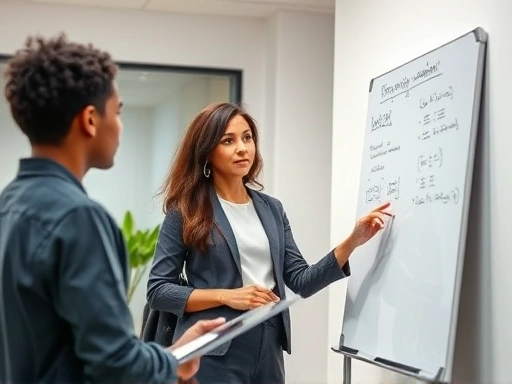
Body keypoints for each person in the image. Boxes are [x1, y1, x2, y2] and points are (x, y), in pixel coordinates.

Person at [0, 34, 225, 384]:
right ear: (90, 120)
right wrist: (172, 363)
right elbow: (114, 364)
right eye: (117, 112)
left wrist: (167, 356)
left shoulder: (8, 206)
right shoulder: (79, 219)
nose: (118, 127)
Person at [146, 102, 392, 384]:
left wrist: (353, 240)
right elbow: (159, 290)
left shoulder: (272, 209)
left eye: (247, 138)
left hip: (269, 347)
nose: (242, 148)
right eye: (228, 141)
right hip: (213, 350)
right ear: (207, 152)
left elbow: (302, 280)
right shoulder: (186, 211)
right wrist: (228, 295)